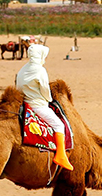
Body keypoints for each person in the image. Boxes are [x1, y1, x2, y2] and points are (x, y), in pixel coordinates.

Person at [16, 43, 72, 171]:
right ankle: (61, 155)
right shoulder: (40, 70)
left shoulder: (23, 69)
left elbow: (18, 87)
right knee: (59, 125)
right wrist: (49, 100)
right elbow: (45, 89)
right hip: (38, 105)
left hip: (25, 104)